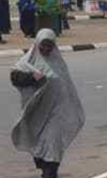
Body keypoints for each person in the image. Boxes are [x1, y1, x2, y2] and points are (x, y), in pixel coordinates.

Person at [10, 29, 85, 178]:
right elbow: (15, 77)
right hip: (37, 112)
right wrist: (32, 77)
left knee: (53, 145)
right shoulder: (27, 62)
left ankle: (50, 173)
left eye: (49, 45)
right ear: (37, 43)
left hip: (57, 113)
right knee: (38, 146)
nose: (46, 49)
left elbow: (67, 88)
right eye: (43, 45)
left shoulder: (59, 63)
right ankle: (46, 169)